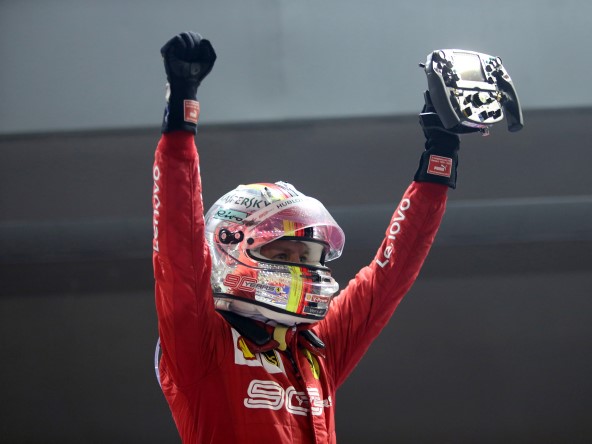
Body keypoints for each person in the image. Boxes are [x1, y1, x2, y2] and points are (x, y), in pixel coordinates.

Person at [153, 32, 462, 443]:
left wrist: (441, 152)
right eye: (286, 253)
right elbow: (179, 248)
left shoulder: (317, 348)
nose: (303, 269)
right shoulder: (199, 344)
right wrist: (181, 114)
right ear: (230, 248)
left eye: (308, 256)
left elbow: (391, 275)